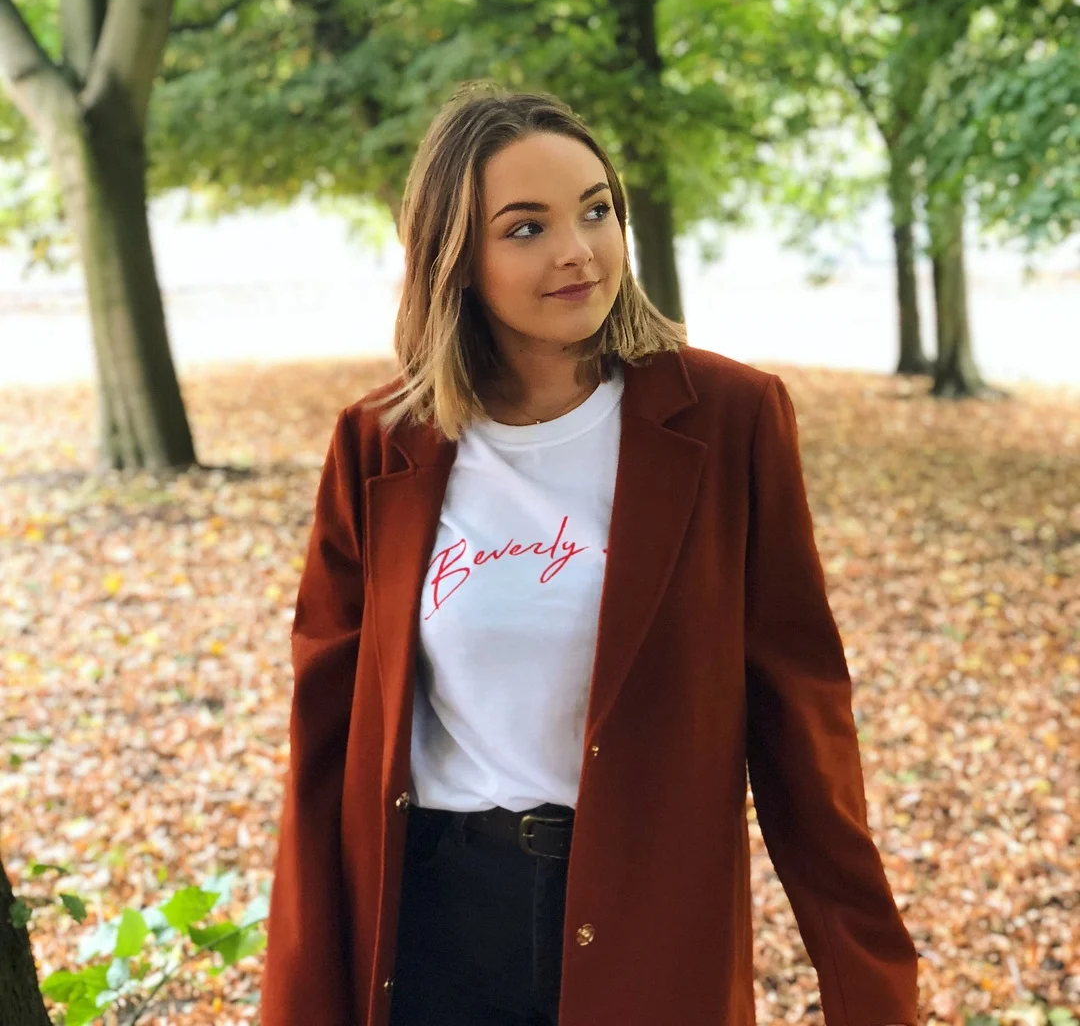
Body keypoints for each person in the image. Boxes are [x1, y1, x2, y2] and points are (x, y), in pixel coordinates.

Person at [259, 80, 920, 1026]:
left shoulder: (730, 420)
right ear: (456, 258)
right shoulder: (381, 445)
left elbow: (801, 721)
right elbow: (326, 745)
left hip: (646, 923)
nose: (577, 250)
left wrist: (869, 987)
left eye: (597, 210)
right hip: (428, 932)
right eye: (526, 228)